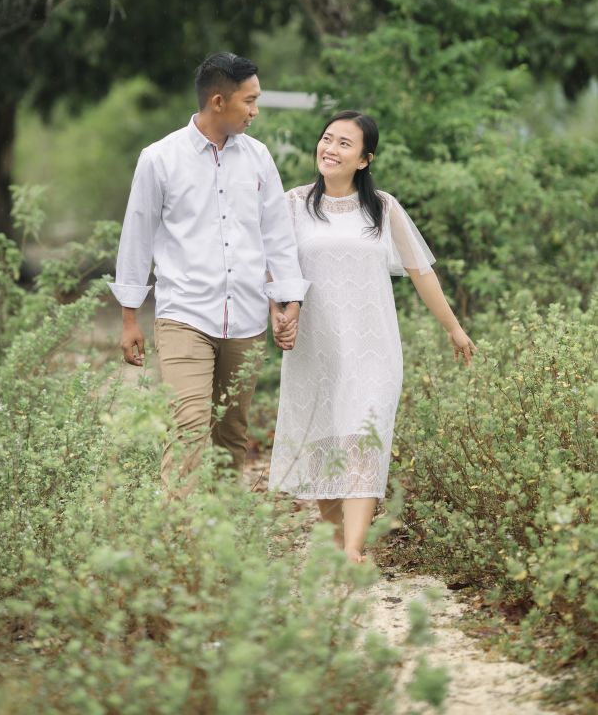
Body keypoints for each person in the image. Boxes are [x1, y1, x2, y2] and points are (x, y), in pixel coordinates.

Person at [268, 111, 475, 561]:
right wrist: (277, 310)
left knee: (364, 434)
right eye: (327, 139)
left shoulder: (383, 208)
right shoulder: (293, 204)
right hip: (315, 346)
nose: (331, 149)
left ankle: (354, 549)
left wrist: (454, 328)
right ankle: (335, 537)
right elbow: (275, 268)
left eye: (345, 143)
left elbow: (421, 272)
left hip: (373, 346)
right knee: (324, 434)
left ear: (364, 159)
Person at [110, 52, 309, 488]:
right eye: (249, 101)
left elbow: (277, 235)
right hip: (184, 315)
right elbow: (137, 236)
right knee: (189, 428)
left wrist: (288, 299)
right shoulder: (160, 158)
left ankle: (221, 525)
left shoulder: (258, 158)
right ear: (218, 101)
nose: (255, 111)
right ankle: (176, 528)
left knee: (231, 435)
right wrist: (129, 317)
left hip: (247, 319)